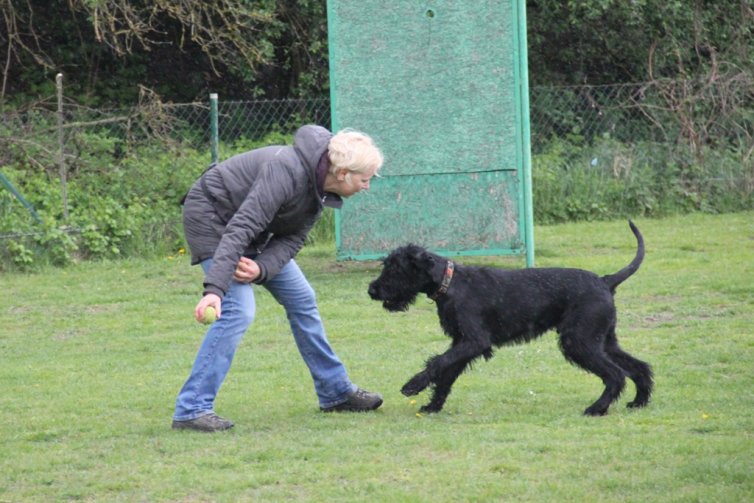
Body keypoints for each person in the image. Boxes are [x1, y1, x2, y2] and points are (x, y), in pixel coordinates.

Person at [172, 125, 384, 432]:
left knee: (302, 299)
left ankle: (335, 392)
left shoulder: (320, 185)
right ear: (343, 173)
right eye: (365, 179)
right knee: (237, 310)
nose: (367, 186)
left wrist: (262, 269)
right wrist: (215, 290)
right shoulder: (286, 170)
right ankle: (192, 408)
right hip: (213, 218)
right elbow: (242, 225)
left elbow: (293, 239)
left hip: (253, 231)